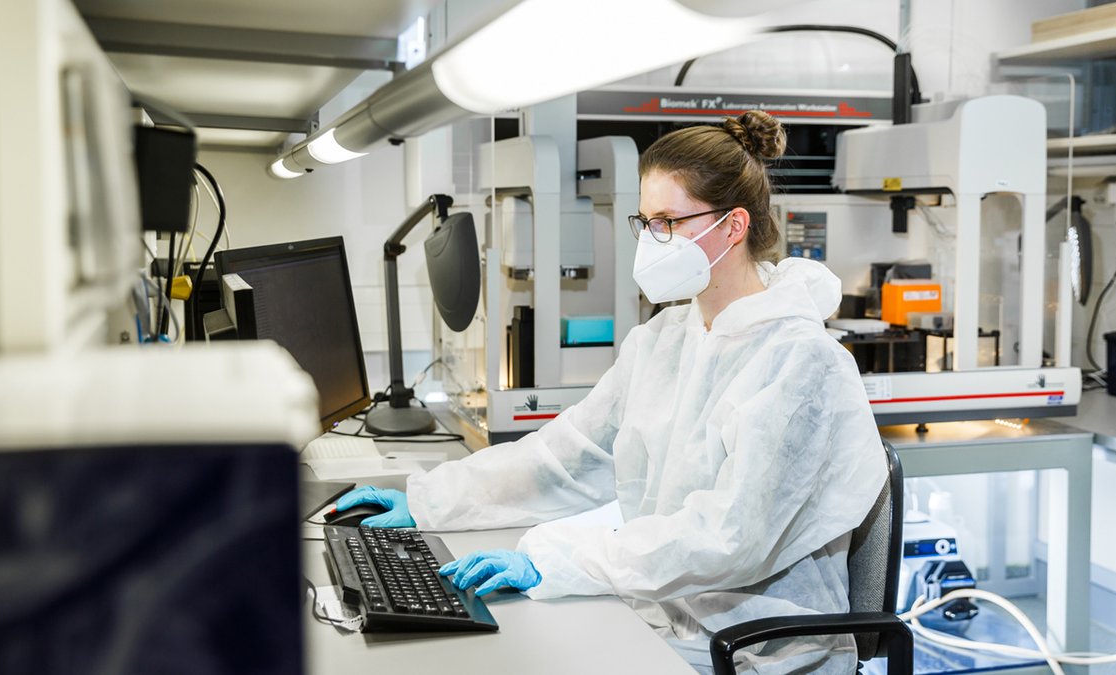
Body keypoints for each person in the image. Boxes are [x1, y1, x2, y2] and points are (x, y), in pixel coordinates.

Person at [336, 110, 887, 674]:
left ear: (734, 225)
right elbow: (569, 454)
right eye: (645, 221)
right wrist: (432, 501)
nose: (652, 241)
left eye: (669, 221)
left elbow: (729, 538)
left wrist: (559, 560)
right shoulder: (665, 338)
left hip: (759, 649)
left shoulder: (803, 362)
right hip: (663, 609)